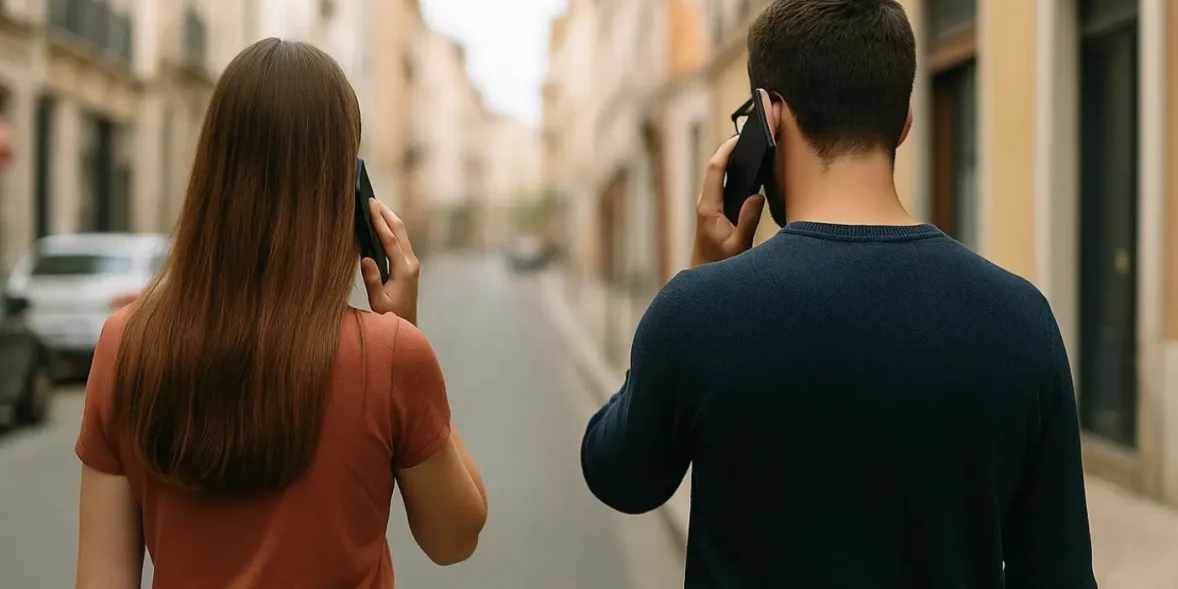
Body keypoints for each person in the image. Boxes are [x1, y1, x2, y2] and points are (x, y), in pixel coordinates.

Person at [580, 1, 1096, 588]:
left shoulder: (697, 314)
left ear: (768, 119)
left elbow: (618, 474)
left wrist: (695, 279)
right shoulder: (1022, 318)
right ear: (904, 120)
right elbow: (1061, 575)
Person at [74, 38, 487, 589]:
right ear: (345, 193)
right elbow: (454, 538)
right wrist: (406, 331)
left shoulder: (124, 345)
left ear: (211, 174)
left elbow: (101, 580)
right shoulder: (391, 356)